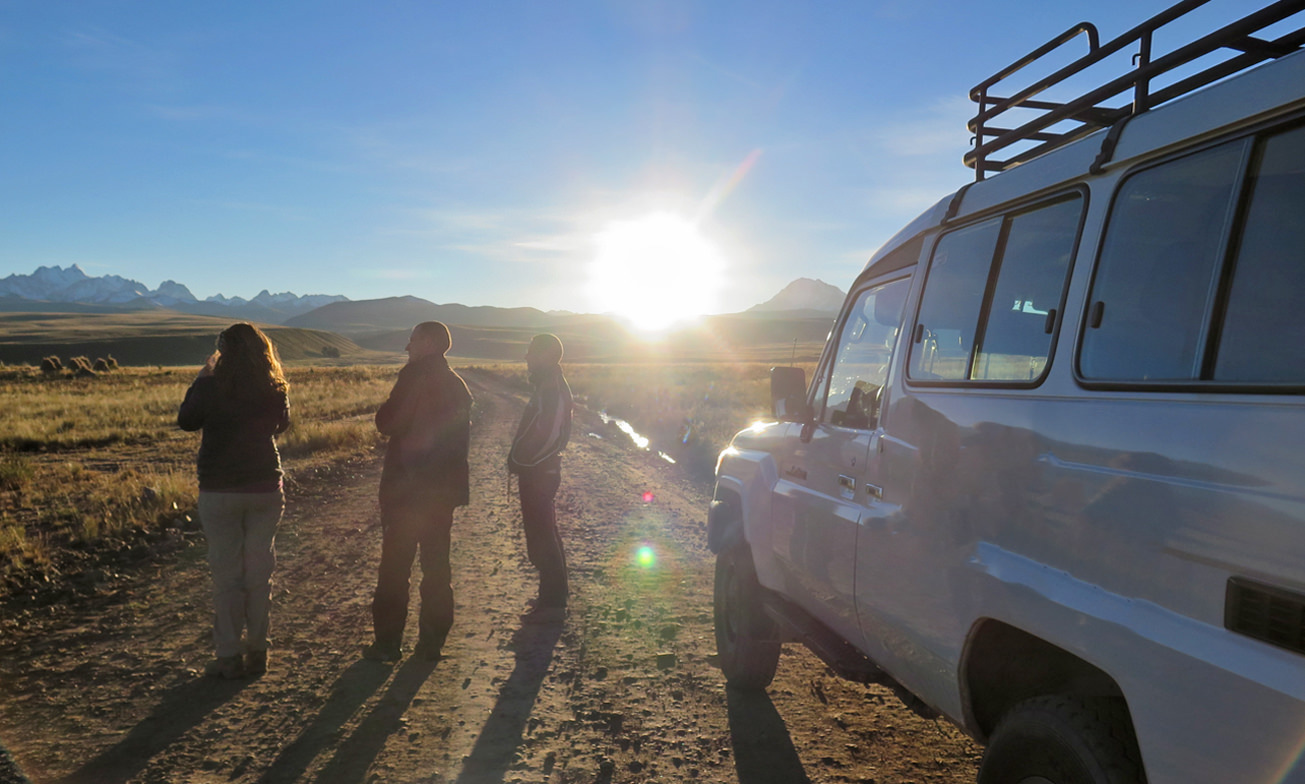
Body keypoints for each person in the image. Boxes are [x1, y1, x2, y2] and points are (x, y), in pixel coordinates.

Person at [178, 323, 291, 679]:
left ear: (223, 351)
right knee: (259, 573)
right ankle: (258, 651)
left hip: (219, 489)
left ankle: (227, 656)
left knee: (227, 576)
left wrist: (201, 379)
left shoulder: (211, 385)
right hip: (264, 488)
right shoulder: (274, 386)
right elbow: (281, 426)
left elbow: (187, 421)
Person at [365, 321, 472, 662]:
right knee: (437, 567)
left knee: (395, 569)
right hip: (441, 495)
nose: (407, 347)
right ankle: (431, 644)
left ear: (427, 343)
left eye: (411, 340)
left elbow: (387, 422)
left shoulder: (414, 378)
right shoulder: (457, 384)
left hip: (408, 492)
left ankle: (387, 645)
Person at [509, 333, 573, 622]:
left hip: (539, 472)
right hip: (539, 470)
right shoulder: (548, 383)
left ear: (546, 356)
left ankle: (553, 604)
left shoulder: (551, 388)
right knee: (544, 532)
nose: (527, 357)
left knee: (542, 536)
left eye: (532, 352)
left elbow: (548, 433)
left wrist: (521, 459)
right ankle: (552, 597)